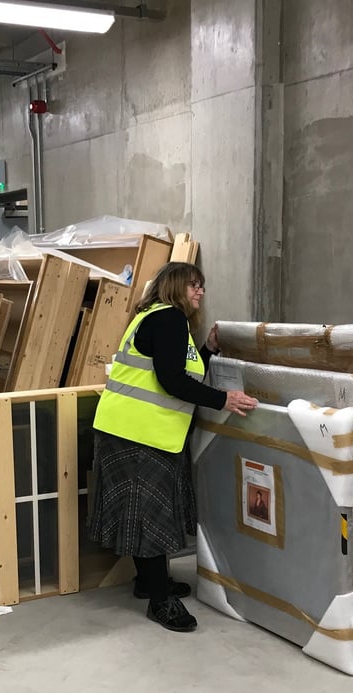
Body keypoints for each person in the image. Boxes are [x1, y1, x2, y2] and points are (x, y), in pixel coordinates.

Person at [89, 261, 258, 632]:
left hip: (130, 430)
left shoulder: (152, 317)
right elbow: (171, 381)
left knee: (142, 513)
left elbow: (179, 371)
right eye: (193, 285)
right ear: (175, 287)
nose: (199, 291)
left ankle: (150, 582)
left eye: (201, 285)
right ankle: (159, 602)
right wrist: (222, 400)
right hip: (137, 434)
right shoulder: (169, 320)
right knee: (151, 517)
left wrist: (208, 350)